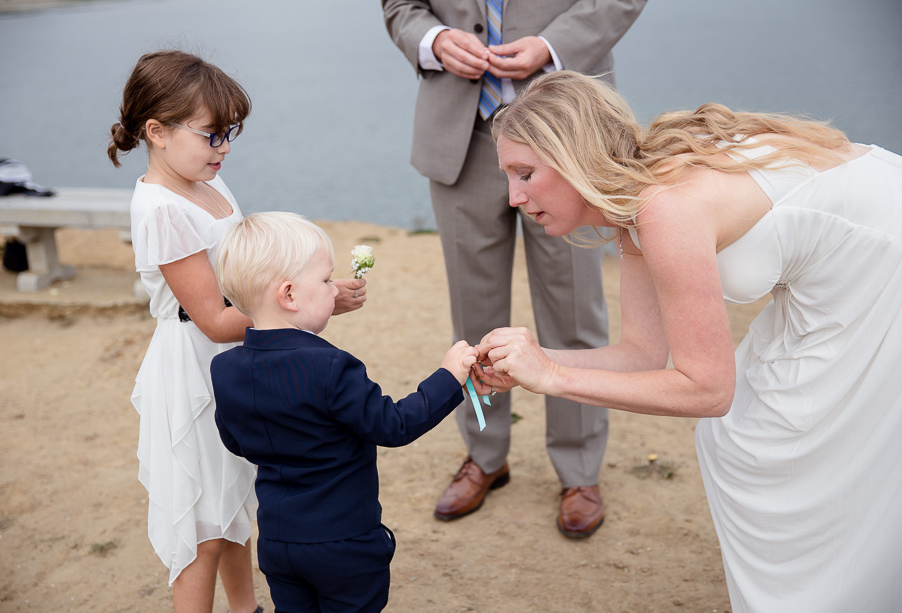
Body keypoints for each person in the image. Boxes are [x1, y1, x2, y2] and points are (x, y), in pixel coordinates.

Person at [475, 70, 902, 612]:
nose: (514, 197)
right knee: (745, 438)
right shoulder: (630, 202)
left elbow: (709, 391)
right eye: (508, 177)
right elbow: (642, 355)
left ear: (572, 154)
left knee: (763, 440)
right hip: (837, 278)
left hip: (885, 257)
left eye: (525, 173)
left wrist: (555, 378)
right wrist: (533, 364)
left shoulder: (665, 209)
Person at [107, 50, 366, 612]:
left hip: (239, 357)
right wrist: (301, 308)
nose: (224, 148)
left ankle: (246, 607)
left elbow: (242, 276)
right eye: (211, 135)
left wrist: (304, 287)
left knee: (234, 502)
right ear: (156, 132)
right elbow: (216, 319)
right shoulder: (163, 210)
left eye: (230, 133)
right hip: (197, 367)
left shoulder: (208, 181)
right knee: (202, 525)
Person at [382, 0, 647, 538]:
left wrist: (552, 45)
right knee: (473, 315)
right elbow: (401, 6)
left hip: (567, 131)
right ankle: (484, 454)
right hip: (460, 135)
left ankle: (579, 469)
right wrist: (433, 39)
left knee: (574, 313)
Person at [210, 212, 479, 612]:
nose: (334, 289)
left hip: (278, 541)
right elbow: (394, 425)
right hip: (343, 541)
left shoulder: (224, 368)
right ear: (289, 295)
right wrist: (449, 376)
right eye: (325, 281)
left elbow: (235, 441)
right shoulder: (331, 365)